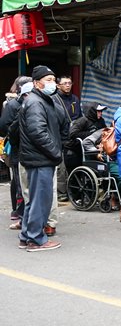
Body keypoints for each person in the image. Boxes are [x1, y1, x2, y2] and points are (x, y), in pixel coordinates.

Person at [17, 65, 69, 251]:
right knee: (41, 200)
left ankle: (26, 236)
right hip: (41, 159)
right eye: (48, 80)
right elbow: (37, 132)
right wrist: (55, 152)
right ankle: (35, 239)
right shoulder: (35, 102)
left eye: (53, 80)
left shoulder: (41, 100)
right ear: (36, 83)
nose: (52, 83)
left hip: (40, 158)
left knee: (36, 199)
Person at [0, 76, 32, 223]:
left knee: (22, 181)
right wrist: (16, 137)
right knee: (19, 181)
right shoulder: (13, 105)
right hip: (17, 148)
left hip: (27, 149)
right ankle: (20, 212)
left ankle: (21, 211)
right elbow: (5, 126)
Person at [64, 102, 107, 172]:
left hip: (91, 150)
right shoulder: (82, 121)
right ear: (92, 111)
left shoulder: (101, 121)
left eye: (101, 111)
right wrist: (92, 133)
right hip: (74, 151)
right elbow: (72, 134)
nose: (101, 113)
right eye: (98, 111)